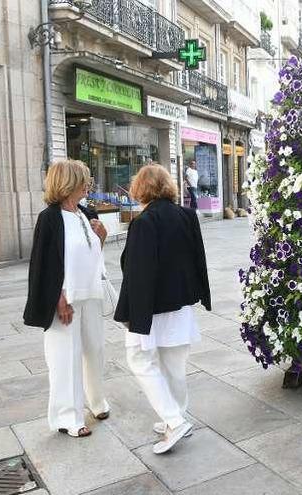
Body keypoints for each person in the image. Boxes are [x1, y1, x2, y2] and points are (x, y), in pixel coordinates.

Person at [115, 164, 211, 454]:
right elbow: (199, 259)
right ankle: (176, 417)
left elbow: (138, 273)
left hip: (152, 307)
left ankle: (174, 420)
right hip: (181, 303)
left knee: (139, 358)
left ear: (140, 188)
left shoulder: (144, 222)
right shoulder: (186, 215)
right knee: (174, 365)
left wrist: (133, 316)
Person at [23, 159, 110, 438]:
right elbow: (42, 264)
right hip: (66, 298)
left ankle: (97, 402)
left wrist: (102, 236)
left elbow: (92, 254)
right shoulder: (50, 218)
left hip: (91, 294)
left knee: (95, 349)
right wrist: (57, 298)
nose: (89, 184)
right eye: (84, 179)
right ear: (69, 183)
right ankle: (68, 417)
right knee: (65, 357)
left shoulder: (86, 212)